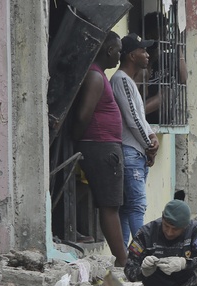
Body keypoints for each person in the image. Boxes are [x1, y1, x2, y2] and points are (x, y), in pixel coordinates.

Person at [71, 31, 127, 267]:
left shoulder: (99, 75)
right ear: (109, 50)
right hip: (101, 146)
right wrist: (75, 139)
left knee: (107, 202)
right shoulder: (95, 76)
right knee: (110, 204)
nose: (119, 56)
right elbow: (84, 114)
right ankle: (124, 261)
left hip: (103, 145)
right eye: (119, 51)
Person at [111, 33, 160, 246]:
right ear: (132, 55)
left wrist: (152, 138)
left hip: (134, 151)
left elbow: (140, 118)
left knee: (127, 207)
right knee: (137, 206)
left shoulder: (128, 81)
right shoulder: (121, 80)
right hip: (131, 151)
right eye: (143, 50)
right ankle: (144, 253)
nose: (147, 54)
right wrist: (149, 144)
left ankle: (124, 256)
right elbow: (132, 119)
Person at [140, 11, 187, 124]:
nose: (165, 35)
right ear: (150, 35)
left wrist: (178, 49)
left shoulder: (168, 56)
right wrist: (151, 61)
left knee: (167, 91)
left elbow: (183, 78)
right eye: (160, 32)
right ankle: (137, 115)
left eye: (165, 32)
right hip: (146, 113)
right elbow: (143, 92)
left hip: (164, 115)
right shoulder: (142, 56)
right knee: (164, 93)